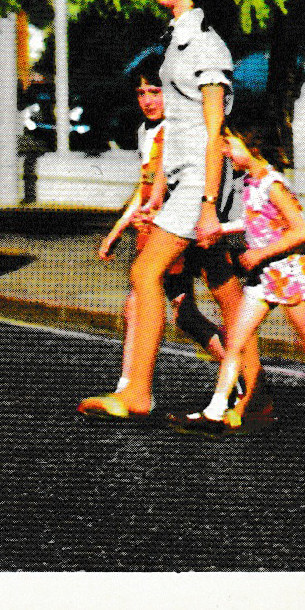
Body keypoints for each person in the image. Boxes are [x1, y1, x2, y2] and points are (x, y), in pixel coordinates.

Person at [78, 0, 261, 423]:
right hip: (183, 181)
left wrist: (206, 203)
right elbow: (172, 128)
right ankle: (255, 399)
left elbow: (212, 128)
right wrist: (158, 189)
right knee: (224, 286)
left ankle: (137, 392)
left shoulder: (205, 45)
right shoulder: (177, 41)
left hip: (203, 182)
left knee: (145, 273)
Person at [171, 121, 305, 442]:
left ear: (252, 147)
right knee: (235, 342)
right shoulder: (250, 182)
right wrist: (222, 230)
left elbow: (301, 230)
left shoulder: (273, 183)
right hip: (264, 278)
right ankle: (214, 413)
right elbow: (255, 220)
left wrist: (260, 254)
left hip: (288, 274)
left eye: (230, 145)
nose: (225, 152)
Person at [96, 61, 229, 392]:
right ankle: (244, 378)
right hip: (154, 231)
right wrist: (116, 231)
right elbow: (144, 191)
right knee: (184, 314)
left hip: (173, 232)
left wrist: (160, 215)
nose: (147, 100)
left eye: (154, 92)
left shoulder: (177, 131)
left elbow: (185, 185)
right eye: (141, 93)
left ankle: (130, 389)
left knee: (137, 305)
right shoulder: (147, 132)